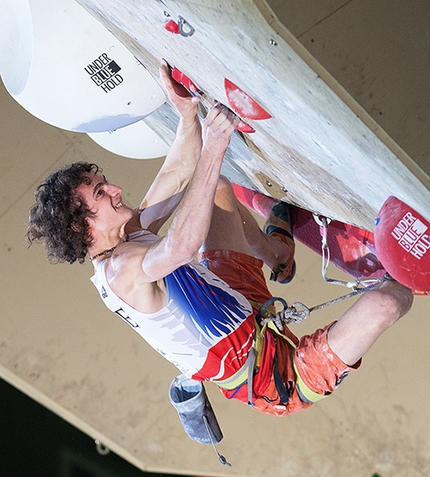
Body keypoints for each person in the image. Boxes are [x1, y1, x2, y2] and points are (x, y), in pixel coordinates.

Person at [27, 61, 413, 417]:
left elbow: (178, 174)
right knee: (388, 301)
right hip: (276, 376)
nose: (115, 188)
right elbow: (179, 246)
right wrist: (215, 146)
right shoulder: (121, 269)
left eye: (102, 183)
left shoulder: (123, 235)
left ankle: (279, 254)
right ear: (81, 227)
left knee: (215, 191)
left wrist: (187, 114)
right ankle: (400, 273)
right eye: (100, 194)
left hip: (234, 297)